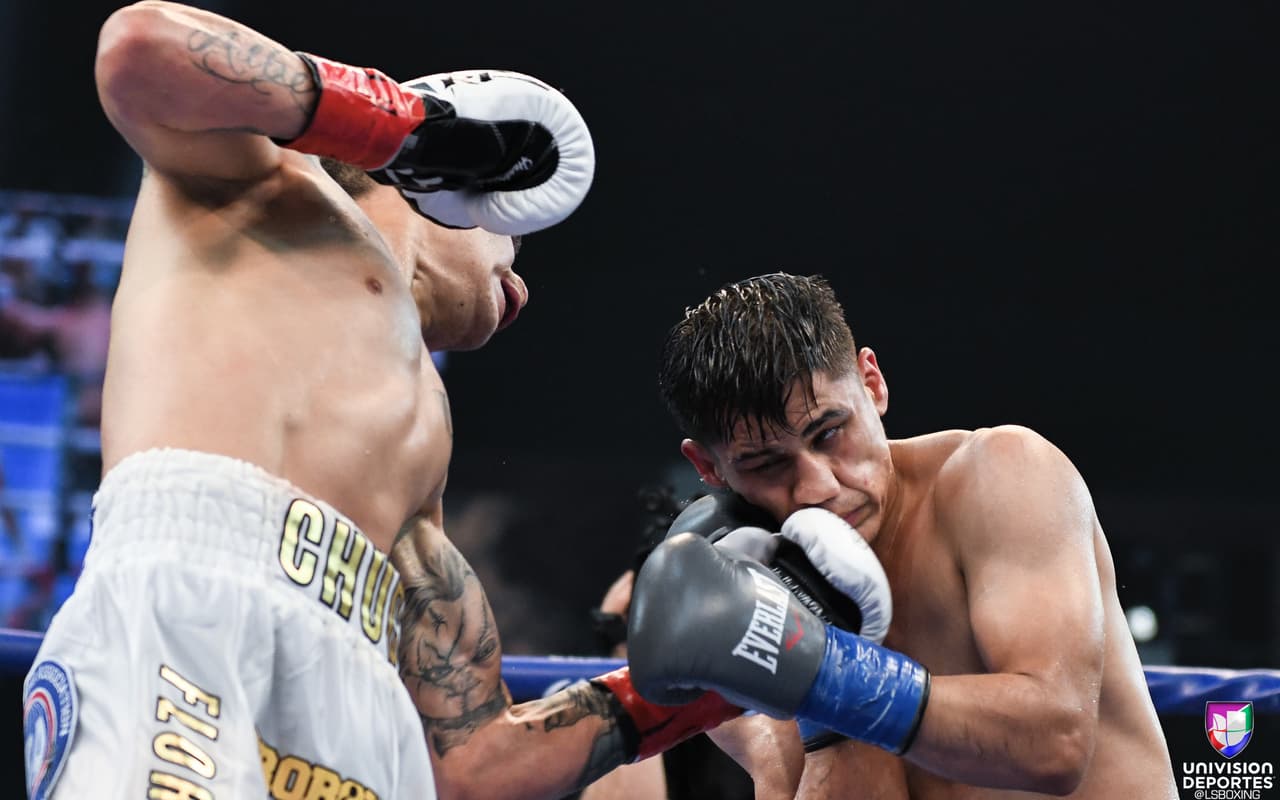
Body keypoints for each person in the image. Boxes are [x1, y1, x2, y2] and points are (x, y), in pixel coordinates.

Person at [23, 3, 733, 799]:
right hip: (187, 626)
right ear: (451, 192)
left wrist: (711, 681)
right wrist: (408, 128)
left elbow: (474, 766)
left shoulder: (420, 488)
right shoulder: (260, 190)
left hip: (356, 709)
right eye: (513, 239)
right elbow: (140, 48)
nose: (522, 283)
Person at [628, 273, 1178, 798]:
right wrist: (825, 685)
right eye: (766, 465)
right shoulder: (742, 593)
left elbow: (1057, 742)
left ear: (872, 383)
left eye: (829, 433)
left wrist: (829, 673)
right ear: (709, 468)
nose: (819, 487)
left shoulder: (1002, 476)